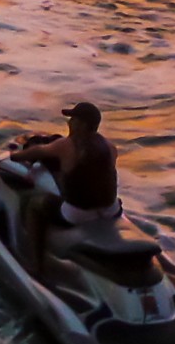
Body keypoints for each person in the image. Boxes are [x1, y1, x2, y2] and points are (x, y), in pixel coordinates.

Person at [7, 102, 120, 265]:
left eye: (73, 119)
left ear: (82, 124)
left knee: (34, 205)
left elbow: (38, 151)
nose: (69, 122)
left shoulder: (66, 145)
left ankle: (36, 264)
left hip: (79, 213)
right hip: (111, 210)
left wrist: (15, 156)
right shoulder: (110, 147)